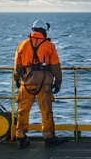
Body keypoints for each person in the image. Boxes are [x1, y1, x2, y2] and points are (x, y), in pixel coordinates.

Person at [14, 20, 65, 149]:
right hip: (44, 82)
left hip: (26, 81)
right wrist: (58, 82)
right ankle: (49, 137)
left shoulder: (23, 44)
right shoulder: (49, 46)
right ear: (43, 31)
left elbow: (17, 67)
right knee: (46, 110)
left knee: (23, 110)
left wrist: (17, 81)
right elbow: (55, 66)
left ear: (33, 29)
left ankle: (20, 137)